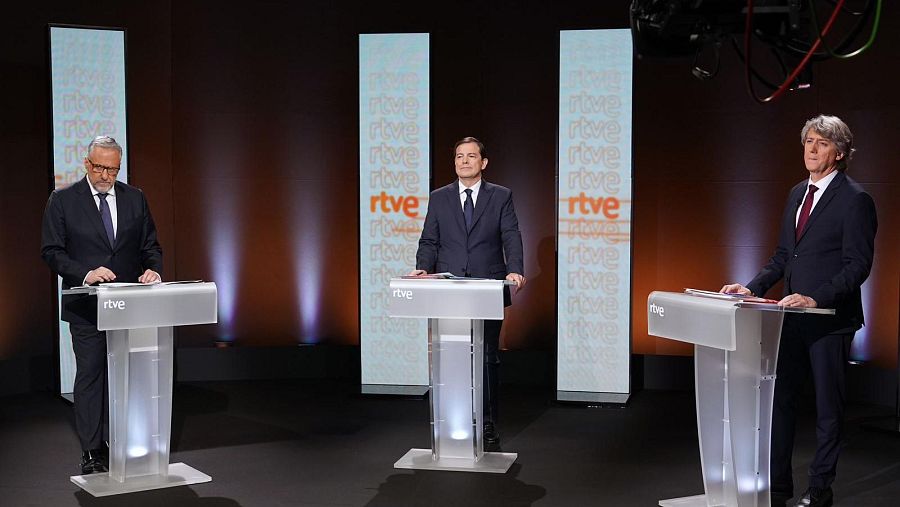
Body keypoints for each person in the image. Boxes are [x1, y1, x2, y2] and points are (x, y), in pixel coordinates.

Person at [721, 115, 877, 507]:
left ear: (839, 153)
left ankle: (820, 489)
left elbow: (857, 265)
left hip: (829, 322)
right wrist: (752, 287)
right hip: (788, 319)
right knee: (781, 402)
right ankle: (778, 487)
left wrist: (815, 298)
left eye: (821, 143)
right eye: (808, 141)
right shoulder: (796, 194)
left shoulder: (855, 199)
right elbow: (782, 256)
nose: (811, 149)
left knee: (828, 408)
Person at [41, 136, 163, 474]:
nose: (106, 175)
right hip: (87, 307)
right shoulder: (63, 200)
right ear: (86, 164)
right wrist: (86, 273)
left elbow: (150, 244)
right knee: (91, 376)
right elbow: (52, 251)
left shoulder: (135, 198)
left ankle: (124, 441)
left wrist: (153, 268)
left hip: (129, 306)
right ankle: (92, 450)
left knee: (126, 376)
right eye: (99, 167)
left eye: (112, 169)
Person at [409, 136, 525, 446]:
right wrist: (423, 268)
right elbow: (429, 240)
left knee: (487, 357)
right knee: (450, 356)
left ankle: (486, 424)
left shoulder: (500, 196)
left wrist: (515, 268)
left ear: (483, 163)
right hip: (448, 290)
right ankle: (451, 424)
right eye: (459, 156)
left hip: (487, 287)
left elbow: (511, 235)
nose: (464, 161)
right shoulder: (439, 197)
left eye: (471, 156)